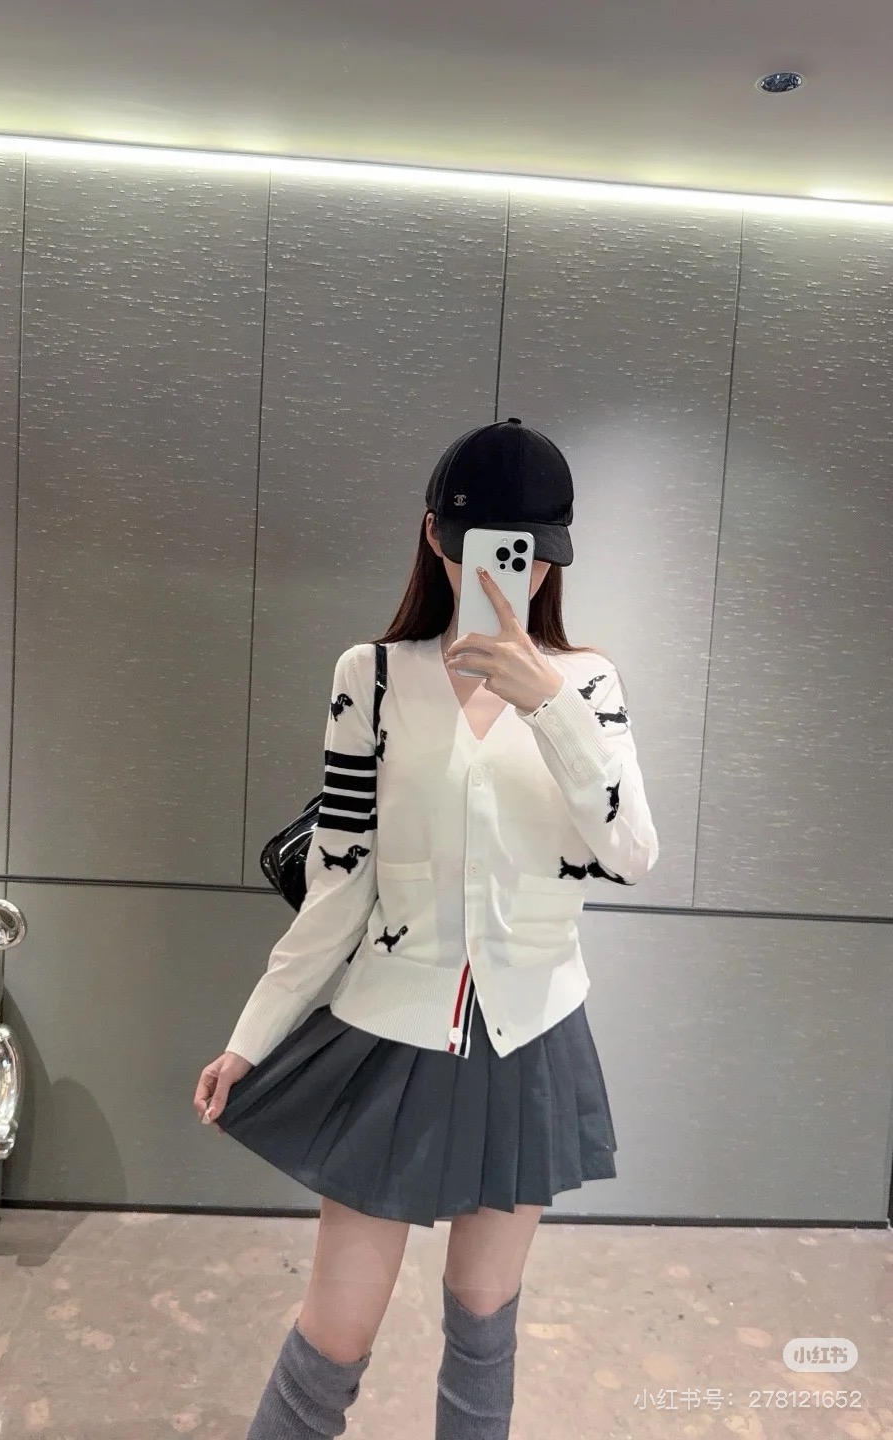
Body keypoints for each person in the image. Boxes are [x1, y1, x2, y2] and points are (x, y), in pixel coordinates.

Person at [193, 417, 660, 1439]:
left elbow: (632, 854)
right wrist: (252, 1034)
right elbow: (339, 885)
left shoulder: (587, 685)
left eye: (533, 554)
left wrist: (549, 705)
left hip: (533, 1035)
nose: (513, 573)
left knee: (484, 1323)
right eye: (488, 547)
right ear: (435, 537)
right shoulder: (370, 677)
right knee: (335, 1334)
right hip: (392, 1032)